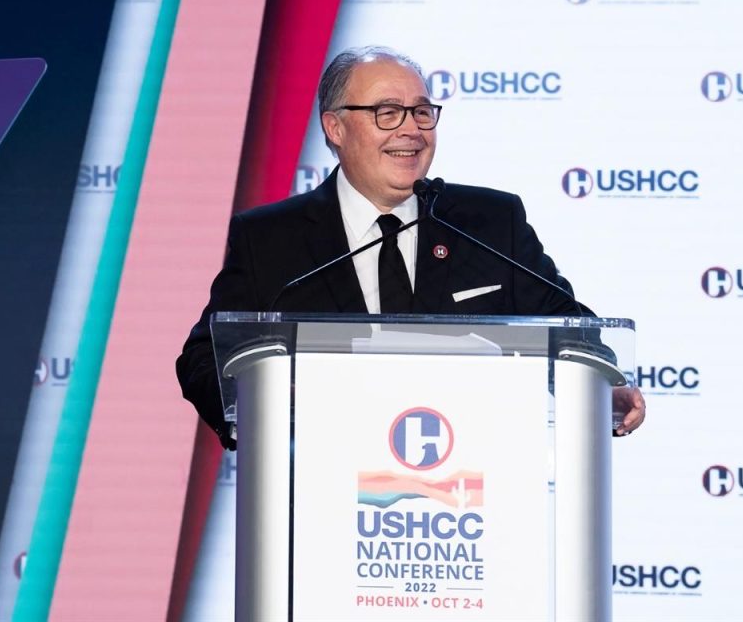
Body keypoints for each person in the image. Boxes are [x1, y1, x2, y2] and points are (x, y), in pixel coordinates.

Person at [176, 45, 646, 448]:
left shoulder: (487, 222)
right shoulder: (272, 238)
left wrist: (602, 383)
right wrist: (258, 419)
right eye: (387, 112)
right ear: (335, 128)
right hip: (320, 489)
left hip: (474, 493)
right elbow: (203, 359)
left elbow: (568, 326)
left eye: (422, 111)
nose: (411, 129)